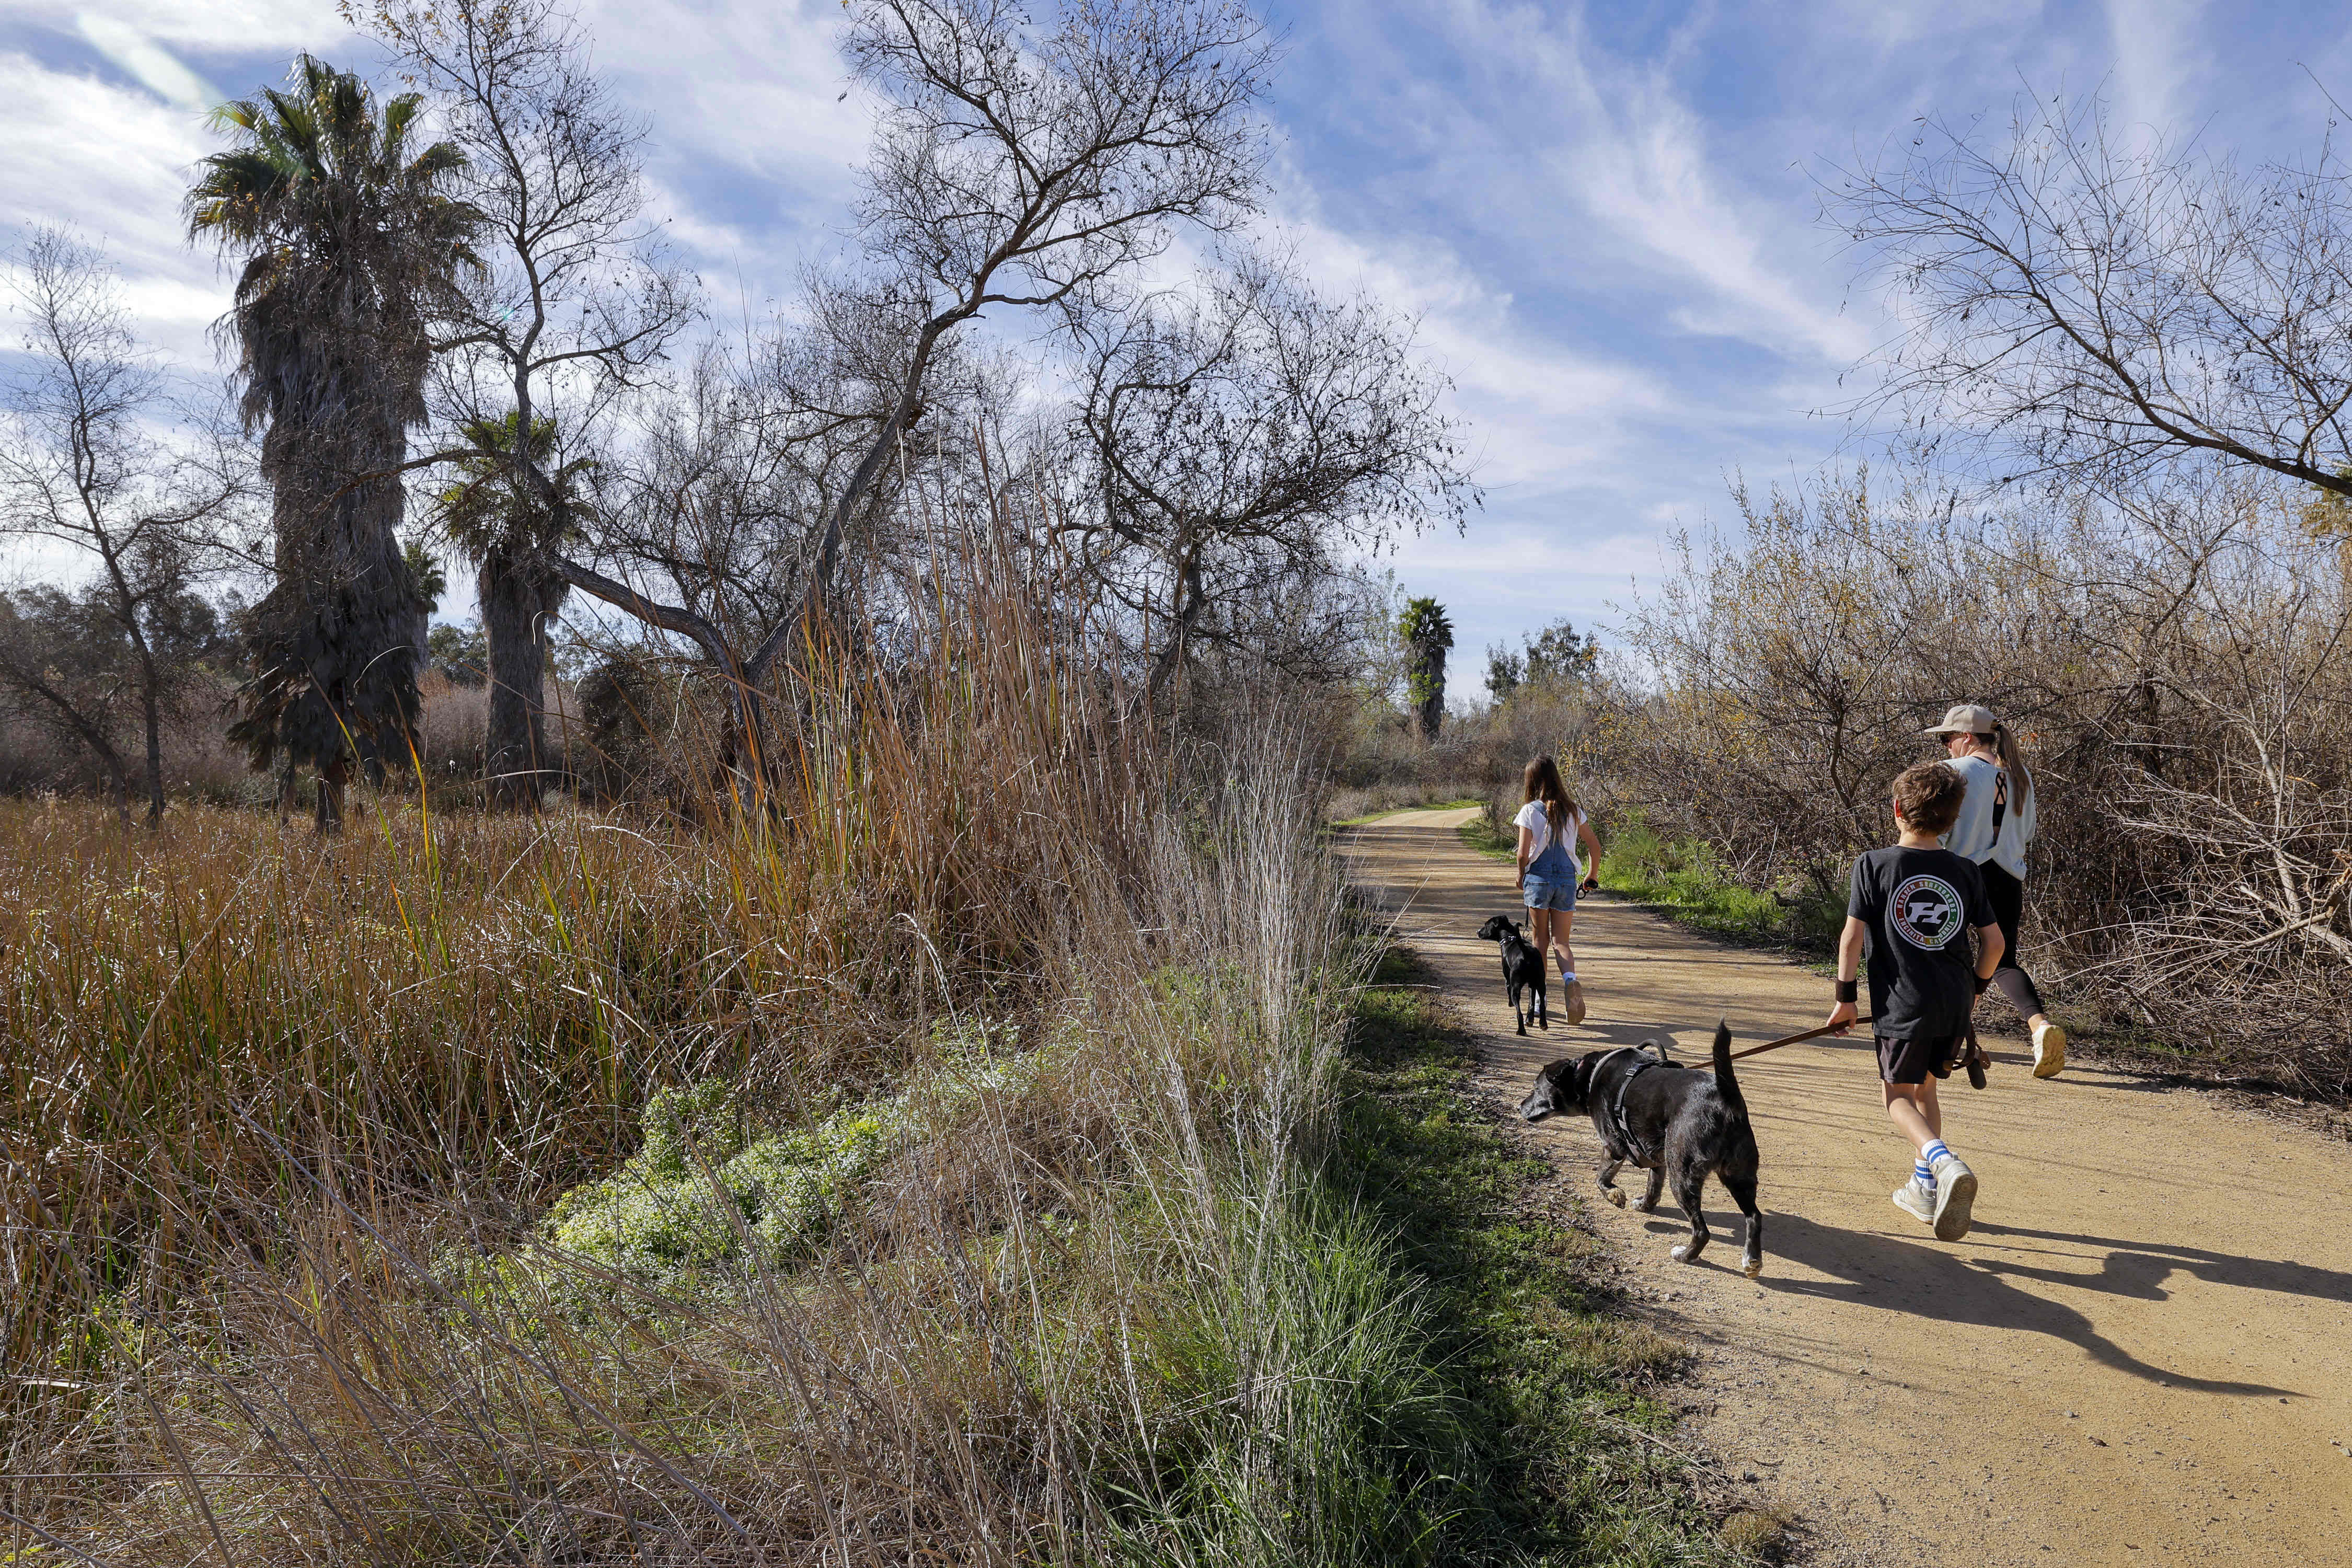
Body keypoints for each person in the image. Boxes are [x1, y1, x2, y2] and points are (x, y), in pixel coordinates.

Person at [1825, 761, 2004, 1242]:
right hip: (1953, 1002)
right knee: (1926, 1091)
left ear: (1898, 810)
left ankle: (1944, 1164)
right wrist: (1977, 990)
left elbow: (1851, 940)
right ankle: (1925, 1189)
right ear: (1953, 820)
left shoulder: (1874, 864)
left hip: (1903, 1004)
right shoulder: (1965, 871)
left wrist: (1845, 1000)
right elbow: (1995, 945)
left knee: (1898, 1099)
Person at [1924, 702, 2067, 1078]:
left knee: (1946, 956)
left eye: (1947, 738)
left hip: (1959, 874)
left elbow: (1933, 828)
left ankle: (1944, 1040)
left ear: (1967, 737)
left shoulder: (1953, 772)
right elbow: (2030, 832)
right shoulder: (2021, 777)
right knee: (2002, 960)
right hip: (2008, 875)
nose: (1946, 746)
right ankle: (2039, 1027)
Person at [1513, 755, 1604, 1026]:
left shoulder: (1530, 811)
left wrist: (1520, 876)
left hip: (1539, 880)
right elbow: (1595, 846)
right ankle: (1570, 981)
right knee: (1561, 942)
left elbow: (1521, 854)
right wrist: (1591, 875)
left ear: (1533, 781)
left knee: (1540, 940)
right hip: (1566, 881)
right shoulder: (1573, 810)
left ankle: (1539, 1003)